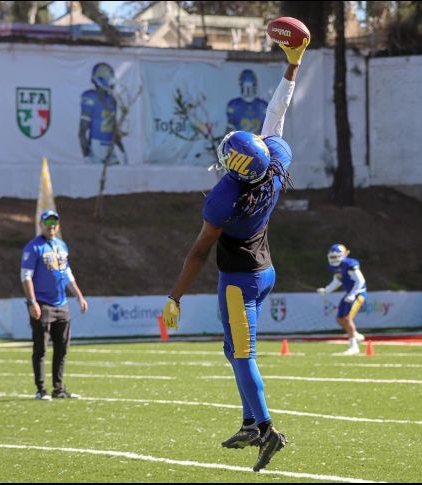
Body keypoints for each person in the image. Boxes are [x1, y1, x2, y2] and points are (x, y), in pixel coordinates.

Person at [162, 37, 309, 473]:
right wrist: (292, 65)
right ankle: (249, 422)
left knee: (243, 356)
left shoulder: (225, 197)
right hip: (263, 273)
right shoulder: (274, 166)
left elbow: (198, 251)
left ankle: (266, 429)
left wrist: (175, 296)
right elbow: (276, 115)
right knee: (233, 351)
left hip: (240, 282)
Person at [21, 210, 89, 400]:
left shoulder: (61, 245)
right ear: (41, 224)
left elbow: (67, 274)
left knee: (62, 348)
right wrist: (32, 302)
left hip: (62, 304)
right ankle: (40, 389)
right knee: (40, 348)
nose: (51, 227)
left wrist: (79, 296)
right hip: (42, 304)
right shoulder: (33, 247)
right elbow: (26, 276)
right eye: (48, 223)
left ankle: (58, 388)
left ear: (58, 226)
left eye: (54, 223)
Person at [316, 244, 367, 355]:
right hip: (349, 293)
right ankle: (356, 335)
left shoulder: (350, 264)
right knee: (339, 319)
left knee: (347, 318)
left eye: (337, 256)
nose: (334, 259)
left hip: (358, 293)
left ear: (344, 255)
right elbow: (338, 280)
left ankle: (354, 346)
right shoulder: (335, 267)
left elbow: (361, 281)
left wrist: (353, 294)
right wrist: (327, 290)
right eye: (332, 257)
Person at [80, 62, 128, 165]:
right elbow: (82, 131)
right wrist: (86, 156)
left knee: (116, 178)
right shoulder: (90, 97)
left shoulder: (111, 100)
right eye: (107, 76)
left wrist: (122, 149)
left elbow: (113, 128)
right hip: (96, 146)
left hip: (110, 146)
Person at [226, 69, 269, 133]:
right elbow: (230, 129)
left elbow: (267, 130)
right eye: (245, 86)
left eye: (250, 85)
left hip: (258, 141)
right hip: (240, 141)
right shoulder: (233, 105)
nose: (248, 89)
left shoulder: (263, 105)